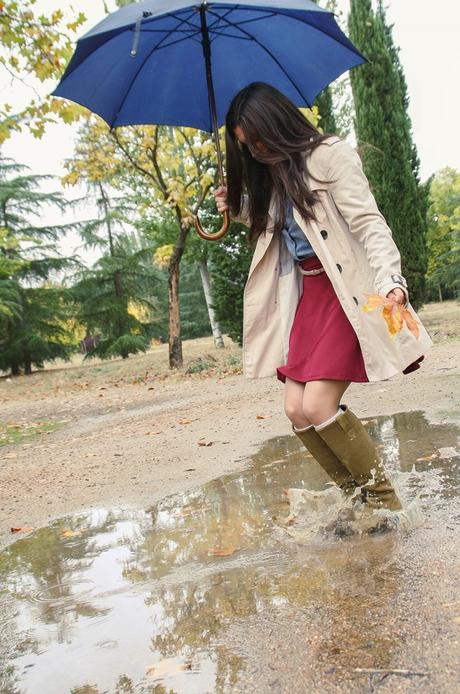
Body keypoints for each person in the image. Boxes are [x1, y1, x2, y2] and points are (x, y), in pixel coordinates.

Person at [213, 82, 434, 513]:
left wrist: (392, 279)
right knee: (296, 410)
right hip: (309, 295)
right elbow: (277, 224)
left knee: (317, 404)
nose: (255, 151)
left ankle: (386, 508)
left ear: (276, 124)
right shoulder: (275, 172)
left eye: (257, 140)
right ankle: (359, 503)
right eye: (246, 147)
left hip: (344, 292)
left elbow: (370, 223)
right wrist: (235, 205)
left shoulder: (329, 155)